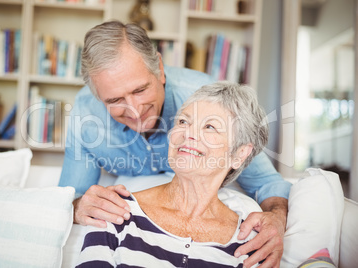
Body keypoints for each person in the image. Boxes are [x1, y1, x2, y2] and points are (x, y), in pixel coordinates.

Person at [59, 20, 291, 267]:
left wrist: (276, 218)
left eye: (140, 90)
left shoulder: (204, 99)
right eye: (115, 99)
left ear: (159, 67)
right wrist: (77, 206)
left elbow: (267, 182)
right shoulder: (85, 114)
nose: (134, 110)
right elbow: (70, 196)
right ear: (97, 95)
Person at [76, 81, 268, 267]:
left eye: (210, 127)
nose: (189, 134)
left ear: (239, 154)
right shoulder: (116, 210)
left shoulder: (249, 241)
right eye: (183, 121)